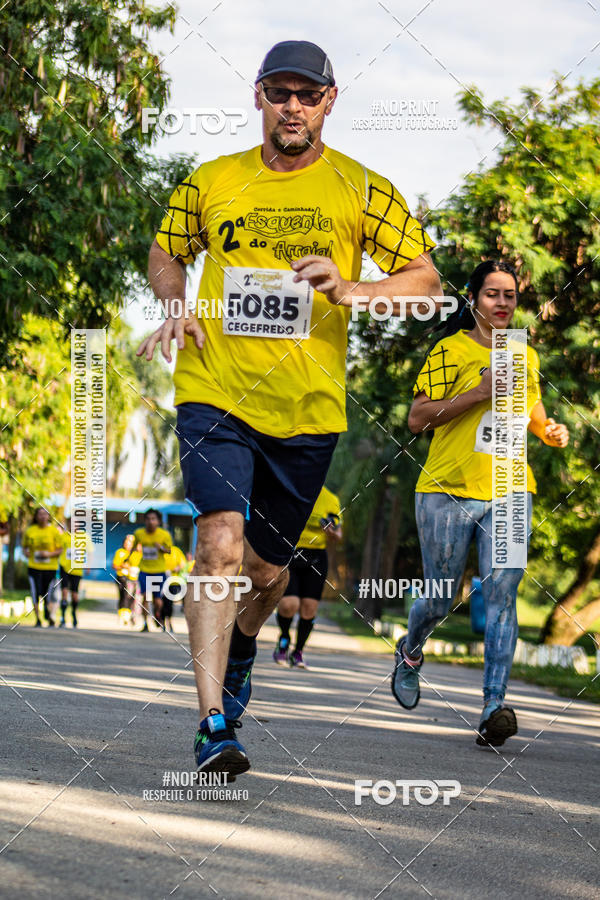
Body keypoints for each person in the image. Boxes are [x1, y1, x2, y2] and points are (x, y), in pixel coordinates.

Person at [138, 39, 440, 776]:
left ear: (330, 101)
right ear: (259, 97)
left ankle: (243, 646)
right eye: (281, 92)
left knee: (269, 575)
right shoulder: (212, 180)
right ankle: (213, 723)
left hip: (306, 410)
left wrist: (354, 291)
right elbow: (166, 252)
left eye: (308, 94)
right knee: (218, 544)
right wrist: (176, 302)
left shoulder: (364, 189)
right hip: (215, 389)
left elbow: (426, 281)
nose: (293, 106)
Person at [391, 260, 569, 747]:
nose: (504, 303)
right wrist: (478, 393)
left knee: (502, 594)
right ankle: (410, 649)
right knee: (442, 596)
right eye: (493, 294)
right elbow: (417, 418)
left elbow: (529, 406)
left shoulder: (521, 353)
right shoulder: (449, 350)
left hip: (511, 487)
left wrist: (547, 430)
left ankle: (494, 705)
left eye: (510, 295)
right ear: (474, 299)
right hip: (448, 487)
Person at [273, 485, 342, 668]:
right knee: (289, 604)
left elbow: (338, 533)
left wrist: (332, 532)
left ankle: (298, 652)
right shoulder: (293, 489)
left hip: (316, 557)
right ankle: (284, 639)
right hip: (291, 553)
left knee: (309, 608)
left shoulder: (331, 499)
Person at [22, 508, 62, 627]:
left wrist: (48, 554)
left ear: (48, 516)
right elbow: (24, 547)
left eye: (45, 514)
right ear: (36, 516)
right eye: (40, 514)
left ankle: (47, 612)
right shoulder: (30, 531)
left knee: (47, 594)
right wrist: (26, 552)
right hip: (34, 567)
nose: (43, 516)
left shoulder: (54, 531)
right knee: (35, 592)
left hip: (50, 568)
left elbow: (60, 550)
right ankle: (38, 619)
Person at [134, 509, 172, 631]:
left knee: (157, 600)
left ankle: (157, 614)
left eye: (153, 519)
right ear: (145, 521)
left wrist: (160, 547)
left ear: (158, 521)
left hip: (159, 571)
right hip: (144, 570)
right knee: (145, 596)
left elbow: (169, 550)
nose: (151, 521)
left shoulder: (164, 535)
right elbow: (134, 546)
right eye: (148, 519)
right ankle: (145, 624)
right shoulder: (139, 533)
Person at [57, 520, 88, 628]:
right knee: (64, 592)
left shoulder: (84, 537)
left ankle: (74, 613)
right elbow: (59, 549)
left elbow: (89, 551)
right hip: (64, 568)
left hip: (77, 569)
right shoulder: (64, 536)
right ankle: (62, 617)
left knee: (75, 595)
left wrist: (88, 565)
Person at [112, 534, 141, 626]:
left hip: (133, 578)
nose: (127, 544)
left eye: (130, 542)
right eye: (126, 541)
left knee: (132, 597)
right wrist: (123, 566)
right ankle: (123, 616)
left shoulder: (137, 554)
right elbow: (114, 565)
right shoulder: (120, 552)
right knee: (124, 596)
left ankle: (129, 615)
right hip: (122, 577)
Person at [163, 544, 188, 632]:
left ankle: (168, 623)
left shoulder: (175, 551)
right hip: (158, 579)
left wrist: (176, 568)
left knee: (168, 604)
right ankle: (161, 621)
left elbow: (182, 564)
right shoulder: (158, 550)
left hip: (172, 581)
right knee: (159, 602)